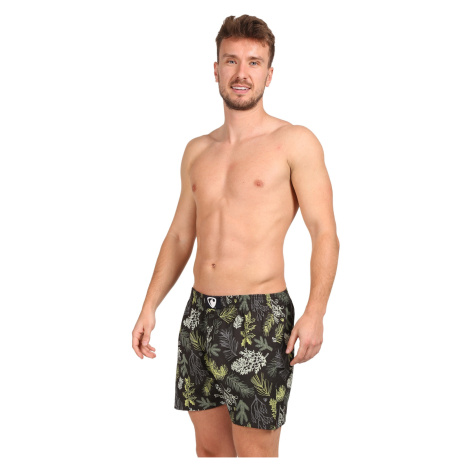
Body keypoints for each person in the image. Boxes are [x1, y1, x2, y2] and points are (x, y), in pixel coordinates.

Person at [132, 14, 340, 458]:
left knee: (256, 456)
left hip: (259, 317)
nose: (241, 73)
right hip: (198, 315)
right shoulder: (197, 150)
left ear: (269, 73)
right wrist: (150, 305)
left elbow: (324, 231)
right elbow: (179, 235)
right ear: (216, 69)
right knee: (210, 453)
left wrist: (316, 311)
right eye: (231, 61)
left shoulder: (294, 142)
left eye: (253, 62)